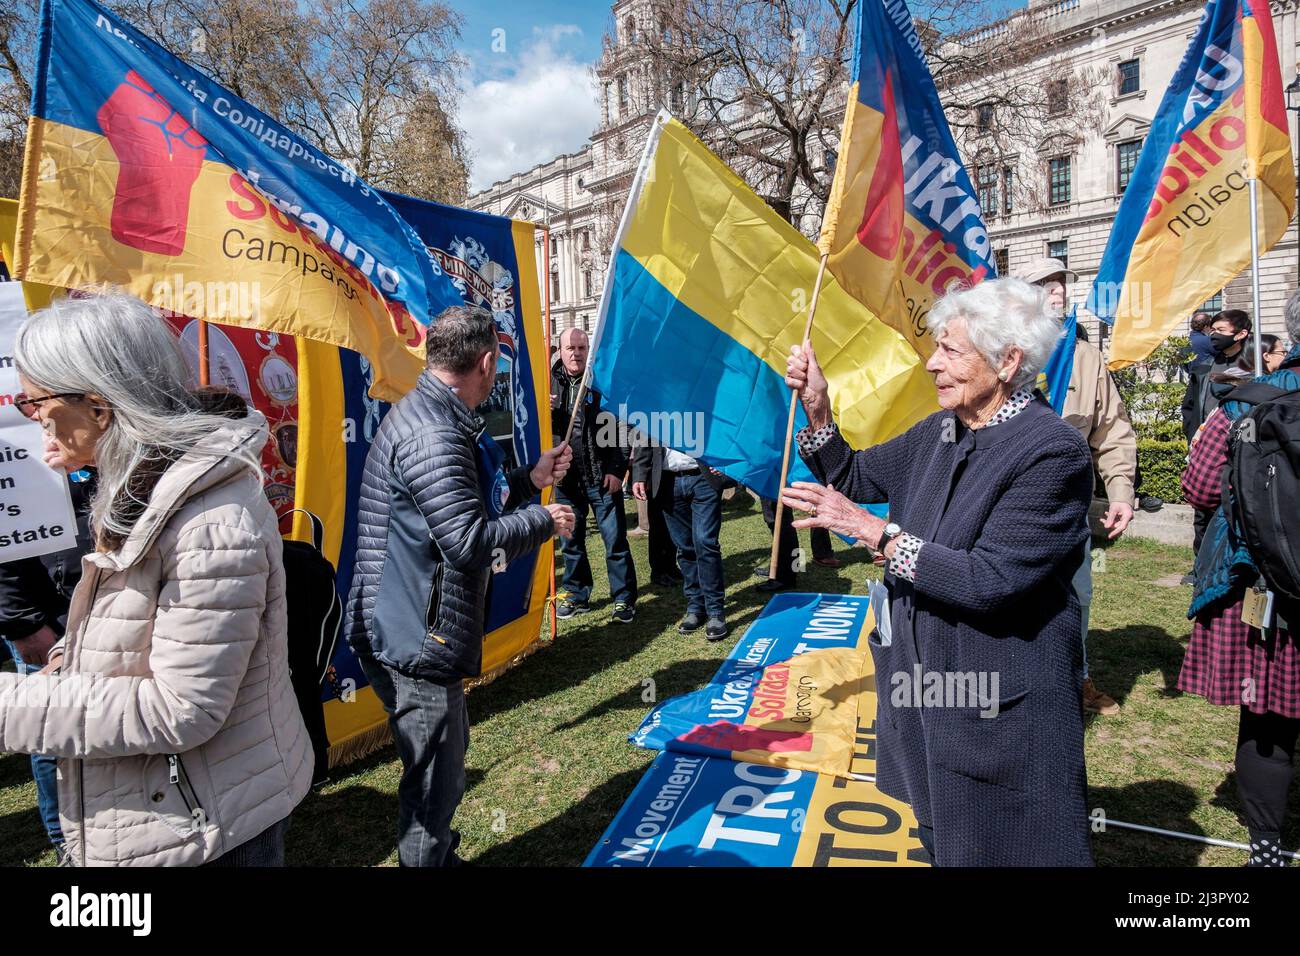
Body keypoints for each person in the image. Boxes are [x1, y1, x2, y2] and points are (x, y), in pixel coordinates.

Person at [781, 278, 1094, 865]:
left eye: (950, 350)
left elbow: (990, 579)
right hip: (923, 684)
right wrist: (818, 407)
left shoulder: (1051, 451)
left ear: (1008, 362)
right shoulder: (941, 430)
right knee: (940, 831)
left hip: (997, 698)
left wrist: (878, 534)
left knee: (1003, 841)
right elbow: (854, 477)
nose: (931, 363)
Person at [0, 293, 311, 866]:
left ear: (98, 406)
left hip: (209, 826)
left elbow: (182, 707)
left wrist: (10, 706)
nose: (32, 419)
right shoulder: (143, 488)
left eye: (35, 402)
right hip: (171, 806)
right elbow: (138, 629)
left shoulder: (210, 520)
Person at [345, 304, 574, 867]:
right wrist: (547, 520)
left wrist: (529, 480)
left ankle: (438, 855)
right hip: (415, 635)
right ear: (487, 363)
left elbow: (459, 507)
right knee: (433, 785)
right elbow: (468, 543)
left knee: (443, 760)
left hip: (406, 623)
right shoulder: (434, 432)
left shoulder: (432, 414)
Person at [1178, 294, 1300, 866]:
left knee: (1268, 719)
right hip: (1271, 580)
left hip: (1268, 583)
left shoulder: (1245, 405)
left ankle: (1268, 849)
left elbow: (1200, 490)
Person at [1018, 256, 1137, 716]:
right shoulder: (1000, 350)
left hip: (1067, 504)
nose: (1057, 291)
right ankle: (1015, 681)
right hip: (1006, 502)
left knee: (1077, 593)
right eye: (1044, 284)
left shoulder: (1086, 358)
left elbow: (1112, 431)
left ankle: (1076, 673)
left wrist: (1122, 493)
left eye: (1061, 283)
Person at [0, 468, 94, 856]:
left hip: (107, 600)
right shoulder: (13, 440)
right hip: (48, 618)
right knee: (52, 730)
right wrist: (21, 621)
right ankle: (66, 842)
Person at [550, 328, 638, 622]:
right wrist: (543, 408)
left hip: (601, 477)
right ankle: (576, 594)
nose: (576, 353)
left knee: (614, 542)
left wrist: (617, 469)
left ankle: (624, 598)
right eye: (570, 347)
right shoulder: (547, 384)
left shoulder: (602, 382)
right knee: (571, 542)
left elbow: (622, 427)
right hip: (566, 479)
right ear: (560, 351)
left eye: (581, 347)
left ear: (589, 350)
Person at [631, 441, 729, 640]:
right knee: (684, 547)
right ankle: (695, 607)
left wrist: (724, 462)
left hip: (703, 478)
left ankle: (715, 611)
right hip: (667, 482)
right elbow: (645, 434)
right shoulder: (656, 409)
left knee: (705, 543)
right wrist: (640, 474)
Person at [1182, 309, 1253, 580]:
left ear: (1241, 334)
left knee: (1234, 510)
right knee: (1203, 512)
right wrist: (1193, 436)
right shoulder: (1204, 365)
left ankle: (1232, 566)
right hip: (1204, 449)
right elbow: (1190, 405)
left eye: (1221, 330)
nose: (1214, 335)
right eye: (1213, 330)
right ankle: (1200, 567)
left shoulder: (1251, 365)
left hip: (1239, 449)